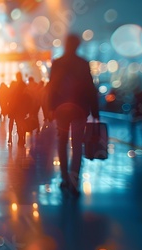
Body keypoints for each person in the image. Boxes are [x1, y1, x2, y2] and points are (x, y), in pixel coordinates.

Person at [48, 34, 99, 197]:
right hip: (80, 109)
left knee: (62, 143)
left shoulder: (58, 63)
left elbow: (52, 87)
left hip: (62, 110)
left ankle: (64, 178)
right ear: (78, 46)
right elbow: (90, 88)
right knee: (77, 145)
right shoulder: (83, 64)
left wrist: (50, 108)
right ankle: (74, 181)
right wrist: (95, 110)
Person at [7, 72, 30, 146]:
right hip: (20, 108)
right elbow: (27, 96)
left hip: (14, 107)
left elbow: (10, 95)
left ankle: (13, 137)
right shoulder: (23, 85)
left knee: (16, 122)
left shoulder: (14, 84)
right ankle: (21, 138)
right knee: (20, 123)